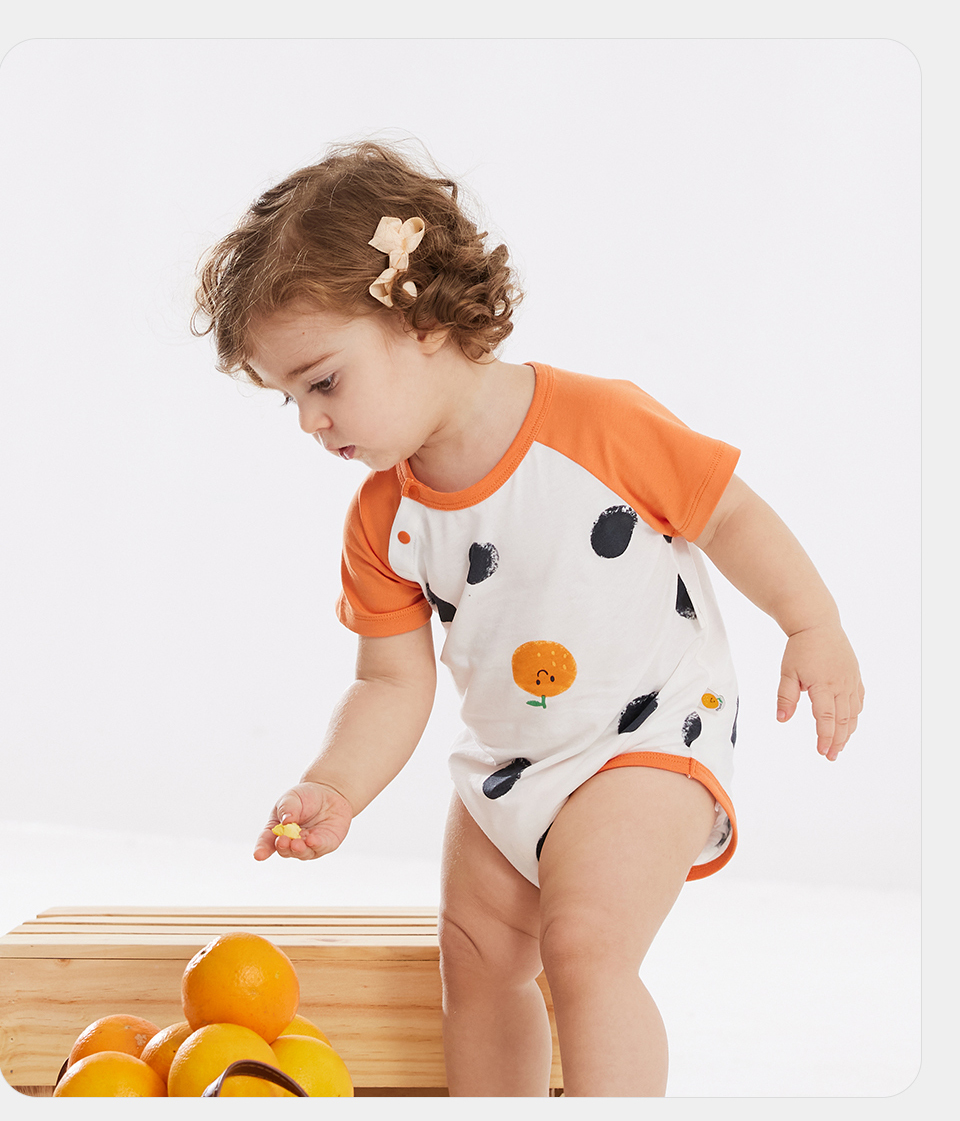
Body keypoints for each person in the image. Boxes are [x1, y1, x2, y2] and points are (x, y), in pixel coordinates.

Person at [191, 140, 864, 1097]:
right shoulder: (384, 519)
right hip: (509, 764)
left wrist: (812, 623)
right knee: (473, 959)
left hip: (647, 736)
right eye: (290, 397)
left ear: (420, 317)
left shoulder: (599, 425)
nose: (309, 421)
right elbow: (389, 680)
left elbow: (729, 514)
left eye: (324, 382)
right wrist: (335, 782)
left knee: (584, 945)